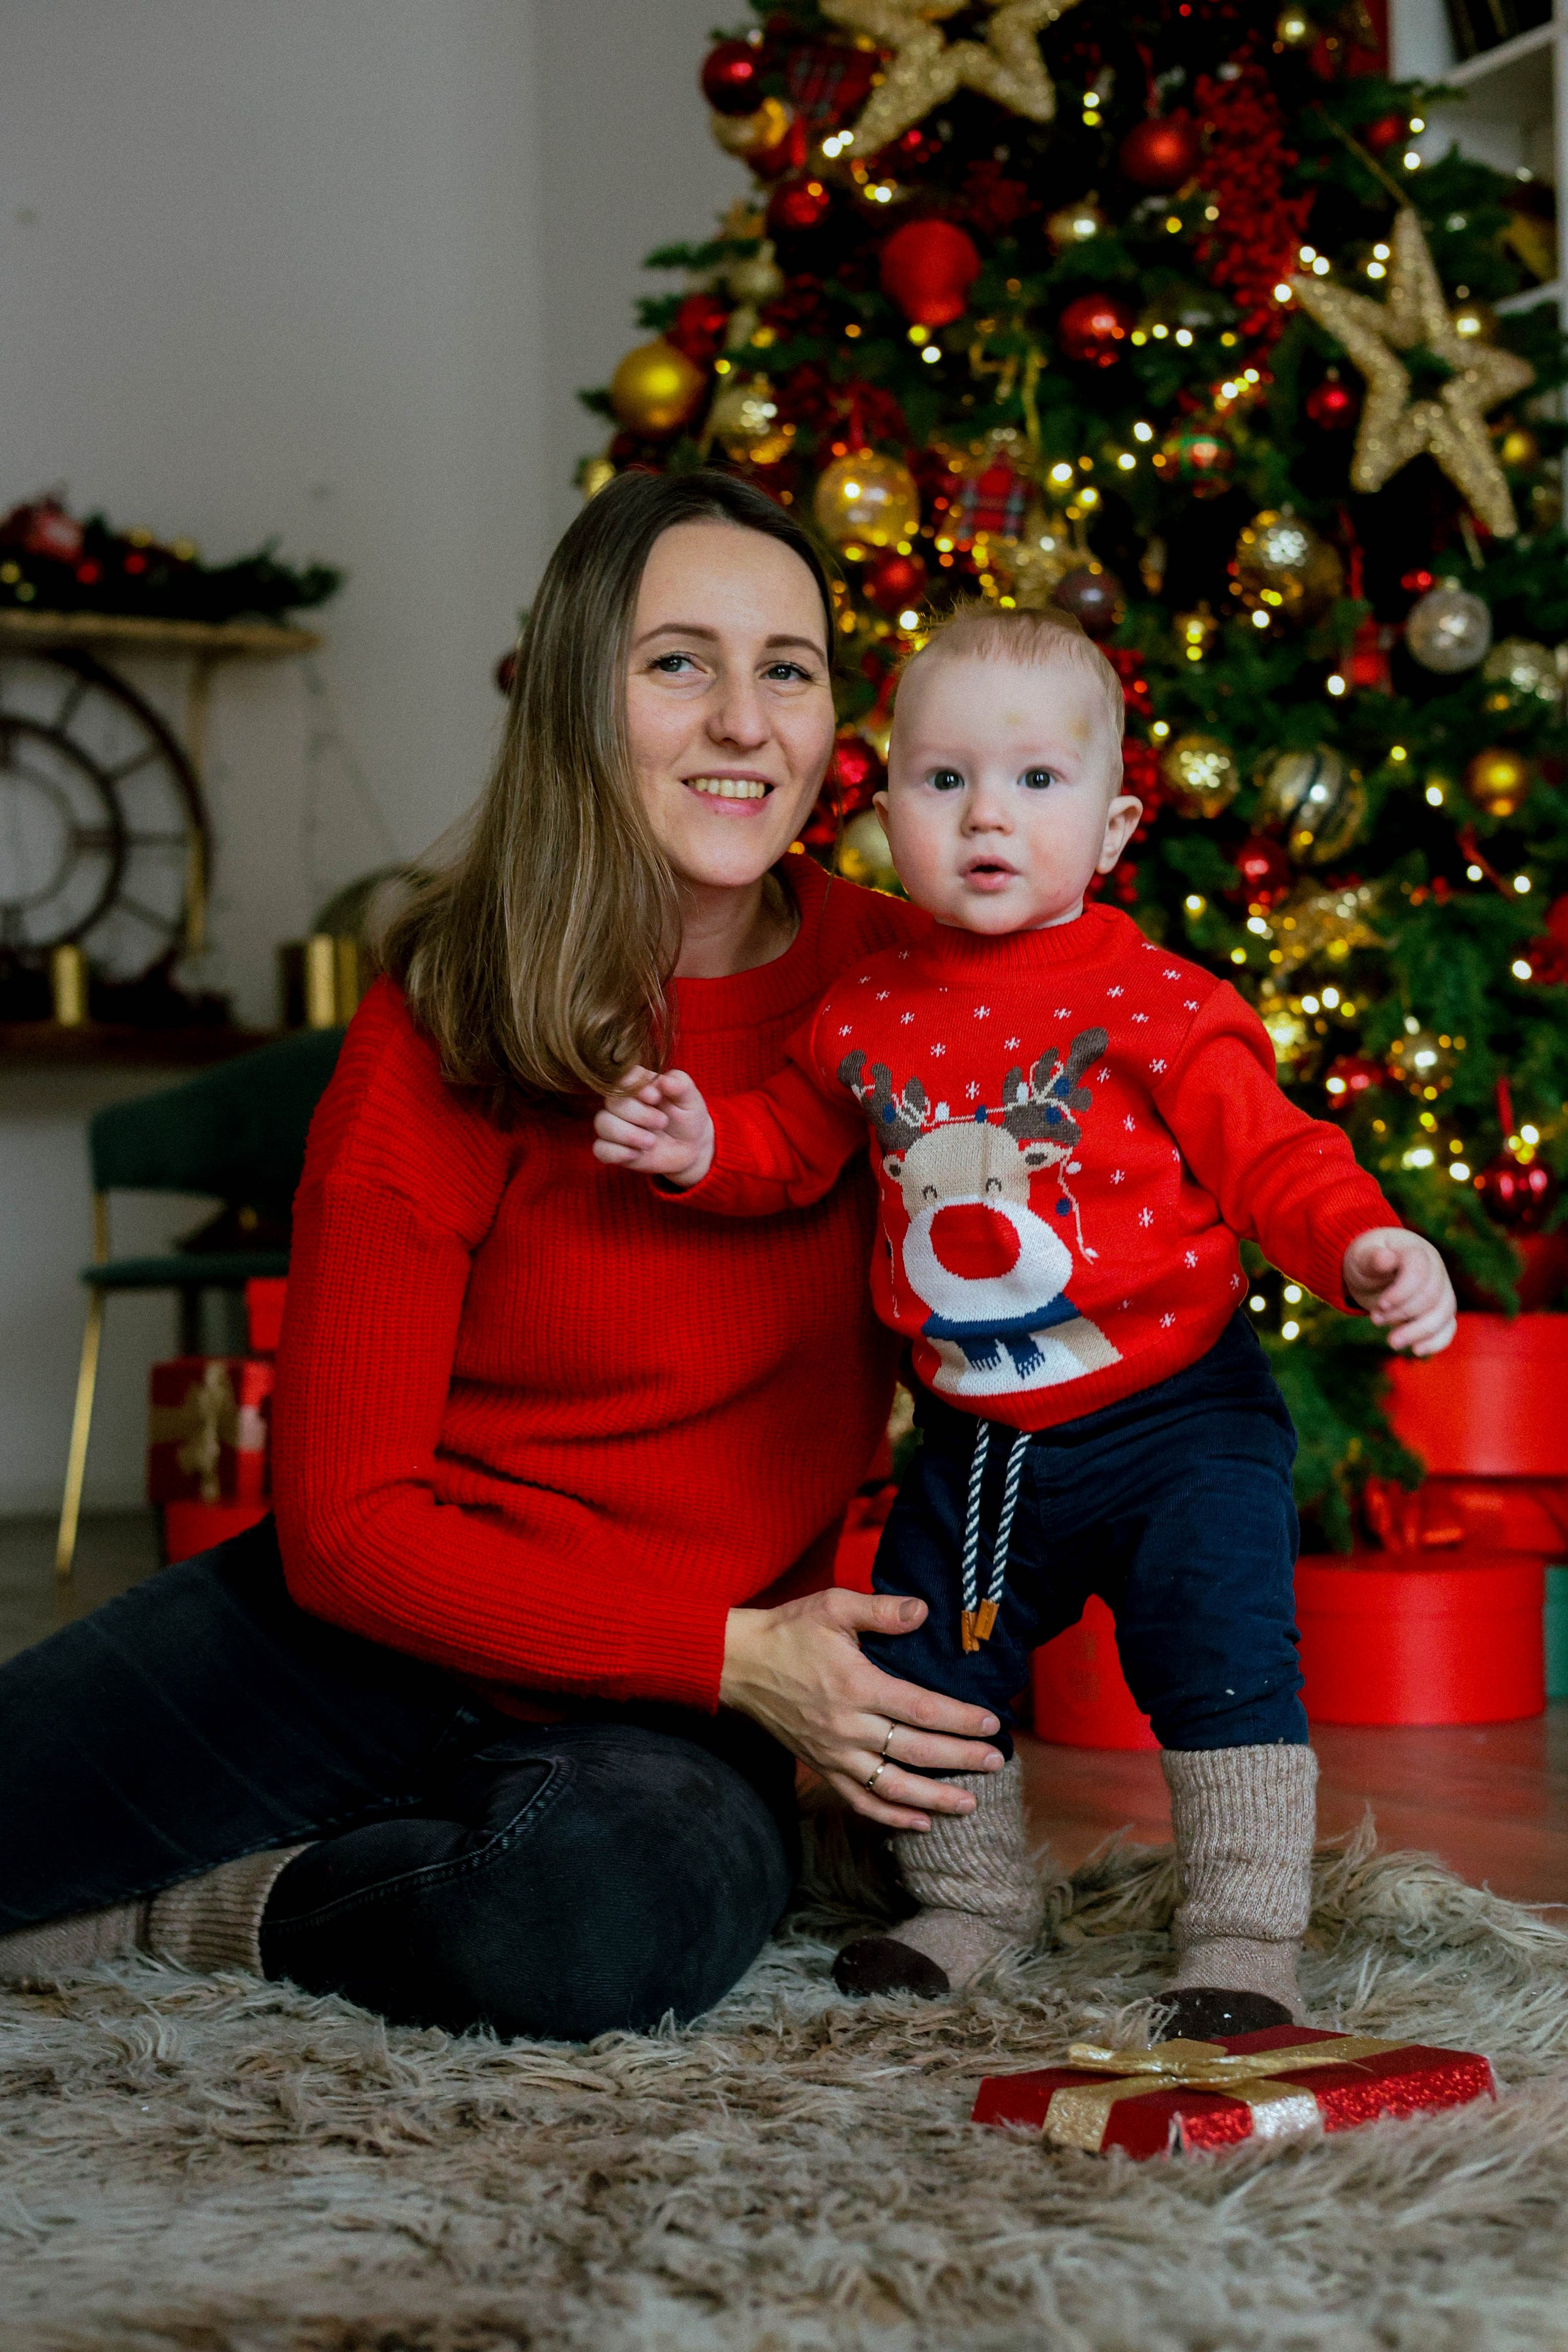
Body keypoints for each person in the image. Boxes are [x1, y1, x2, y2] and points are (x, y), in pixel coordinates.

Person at [0, 472, 1009, 2043]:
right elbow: (342, 1529)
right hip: (362, 1633)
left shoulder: (905, 990)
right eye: (679, 662)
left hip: (677, 1713)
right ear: (574, 699)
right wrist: (732, 1647)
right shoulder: (448, 1011)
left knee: (581, 1934)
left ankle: (197, 1916)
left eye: (789, 668)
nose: (745, 721)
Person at [593, 601, 1458, 2038]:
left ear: (1113, 827)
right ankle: (973, 1901)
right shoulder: (861, 1013)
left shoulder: (1158, 1004)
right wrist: (701, 1148)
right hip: (981, 1438)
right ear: (882, 811)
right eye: (943, 782)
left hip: (1177, 1415)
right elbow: (793, 1147)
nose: (986, 817)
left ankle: (1242, 1935)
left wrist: (1362, 1242)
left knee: (1219, 1655)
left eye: (1034, 783)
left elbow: (1275, 1157)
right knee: (933, 1660)